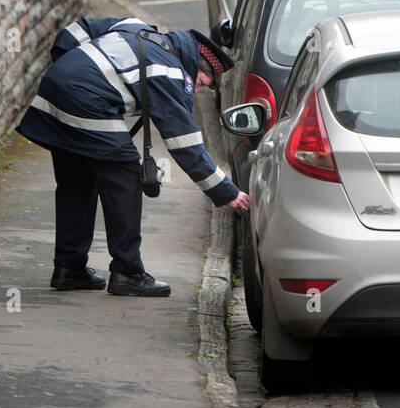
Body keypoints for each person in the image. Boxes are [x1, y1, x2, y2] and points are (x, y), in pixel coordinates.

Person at [16, 16, 250, 297]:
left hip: (54, 92)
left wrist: (69, 69)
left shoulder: (136, 26)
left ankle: (69, 268)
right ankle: (128, 272)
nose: (197, 90)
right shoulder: (170, 71)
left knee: (77, 183)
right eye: (201, 82)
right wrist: (227, 192)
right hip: (87, 104)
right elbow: (185, 144)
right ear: (194, 64)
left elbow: (76, 30)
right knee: (125, 175)